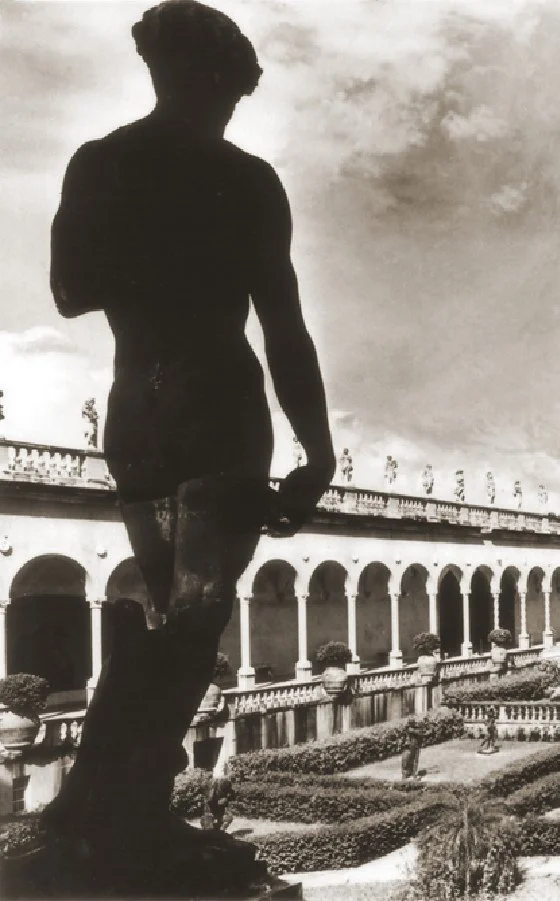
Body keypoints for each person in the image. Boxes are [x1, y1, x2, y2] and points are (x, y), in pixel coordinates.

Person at [27, 2, 335, 895]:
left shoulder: (101, 162)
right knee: (191, 627)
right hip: (219, 415)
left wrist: (146, 253)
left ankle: (103, 808)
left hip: (138, 417)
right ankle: (109, 811)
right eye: (232, 85)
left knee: (164, 612)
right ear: (214, 80)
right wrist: (316, 450)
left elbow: (69, 290)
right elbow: (284, 329)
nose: (233, 101)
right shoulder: (245, 181)